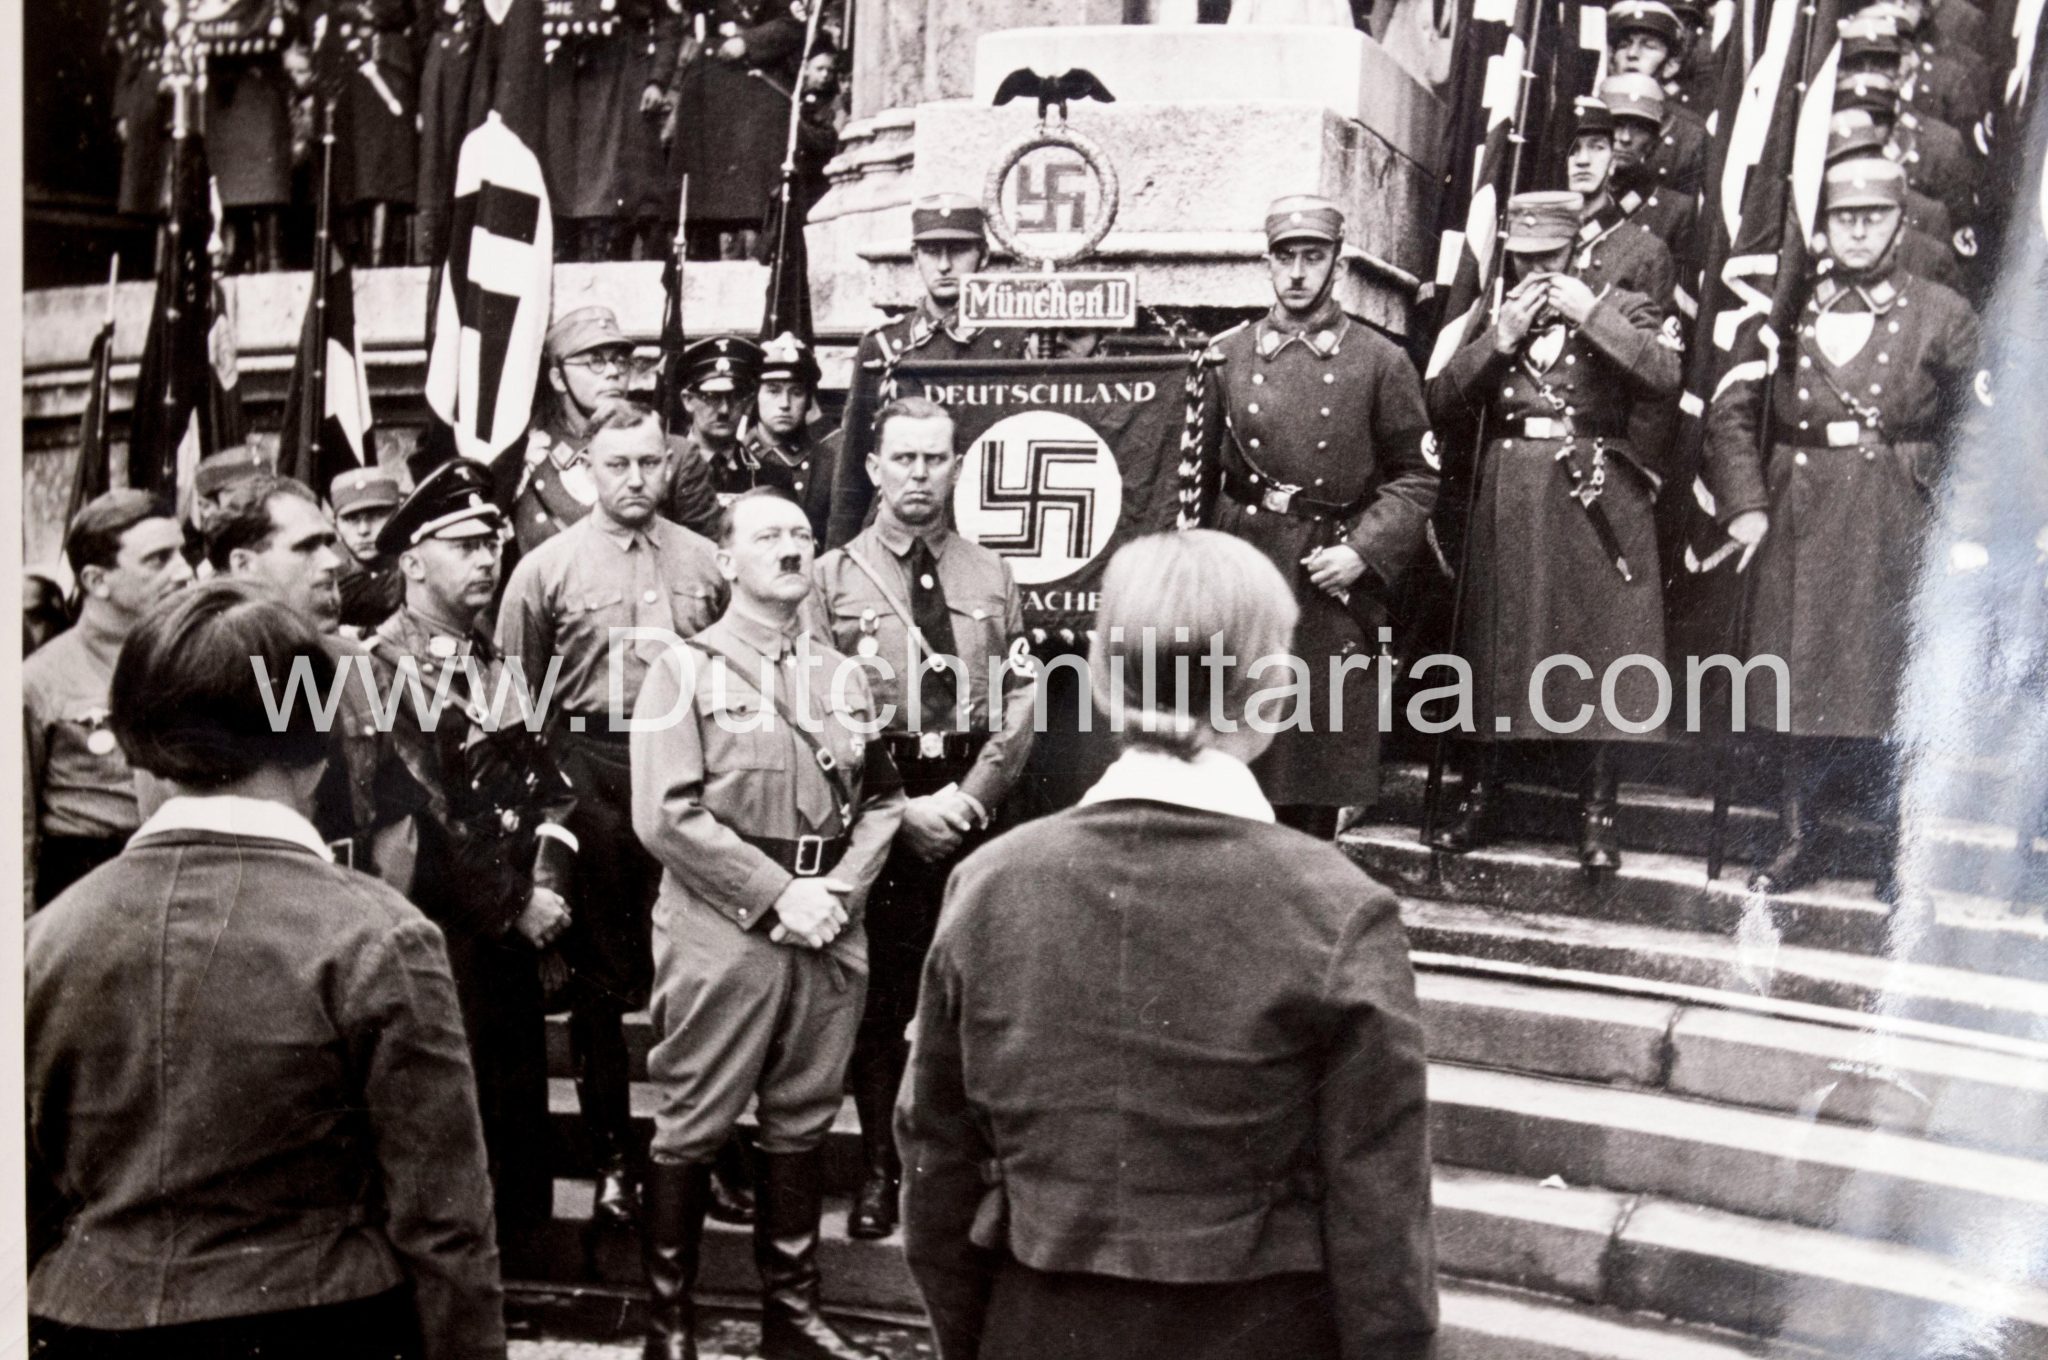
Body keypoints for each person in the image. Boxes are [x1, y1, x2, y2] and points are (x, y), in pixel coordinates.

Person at [897, 529, 1437, 1360]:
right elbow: (1381, 1219)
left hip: (1036, 1326)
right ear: (1275, 693)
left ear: (1102, 682)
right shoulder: (1338, 908)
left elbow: (937, 1171)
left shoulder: (991, 885)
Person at [27, 580, 504, 1360]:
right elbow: (445, 1223)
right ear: (316, 755)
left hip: (86, 1318)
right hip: (318, 1322)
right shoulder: (378, 936)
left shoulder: (44, 942)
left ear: (140, 752)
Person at [631, 487, 906, 1360]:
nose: (790, 549)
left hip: (829, 926)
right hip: (724, 925)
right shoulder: (683, 670)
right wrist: (778, 893)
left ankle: (792, 1317)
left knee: (802, 1120)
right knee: (694, 1119)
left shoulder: (844, 676)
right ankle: (669, 1326)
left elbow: (884, 800)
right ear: (727, 560)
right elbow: (666, 815)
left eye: (800, 535)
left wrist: (840, 894)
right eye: (767, 537)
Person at [1703, 154, 1981, 900]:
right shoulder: (1785, 314)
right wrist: (1746, 503)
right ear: (1822, 228)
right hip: (1799, 510)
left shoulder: (1942, 313)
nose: (1858, 231)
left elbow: (1978, 429)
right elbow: (1732, 410)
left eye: (1873, 216)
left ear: (1900, 222)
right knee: (1797, 676)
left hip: (1896, 513)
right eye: (1843, 217)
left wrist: (1961, 521)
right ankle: (1801, 838)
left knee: (1889, 676)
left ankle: (1895, 846)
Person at [496, 402, 743, 1232]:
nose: (635, 479)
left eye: (648, 462)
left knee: (699, 970)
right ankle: (612, 1162)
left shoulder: (708, 561)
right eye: (617, 465)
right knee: (600, 984)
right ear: (590, 469)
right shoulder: (545, 569)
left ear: (668, 466)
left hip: (692, 769)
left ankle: (706, 1153)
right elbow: (516, 705)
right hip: (590, 774)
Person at [812, 396, 1037, 1241]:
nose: (918, 475)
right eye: (902, 459)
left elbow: (1020, 700)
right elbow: (821, 705)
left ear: (956, 467)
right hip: (883, 799)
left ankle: (962, 1171)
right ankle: (881, 1167)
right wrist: (900, 807)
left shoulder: (993, 575)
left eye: (934, 459)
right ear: (873, 469)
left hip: (974, 798)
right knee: (881, 996)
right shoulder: (832, 580)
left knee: (976, 994)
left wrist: (974, 797)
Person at [1425, 191, 1681, 878]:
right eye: (1523, 259)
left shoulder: (1622, 304)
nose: (1536, 272)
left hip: (1593, 485)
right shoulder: (1497, 314)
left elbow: (1664, 376)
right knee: (1501, 640)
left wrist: (1591, 315)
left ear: (1577, 249)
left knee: (1602, 644)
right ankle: (1481, 793)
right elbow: (1439, 402)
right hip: (1512, 486)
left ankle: (1598, 809)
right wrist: (1498, 341)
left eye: (1551, 257)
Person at [365, 460, 579, 1275]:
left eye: (491, 542)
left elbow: (551, 788)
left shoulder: (491, 660)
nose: (488, 558)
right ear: (413, 563)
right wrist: (514, 903)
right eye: (463, 545)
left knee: (512, 1103)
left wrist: (545, 889)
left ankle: (513, 1272)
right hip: (445, 927)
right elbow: (418, 818)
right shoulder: (380, 668)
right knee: (455, 1107)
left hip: (513, 925)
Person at [1197, 194, 1438, 836]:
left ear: (1339, 265)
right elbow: (1193, 474)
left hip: (1325, 572)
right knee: (1230, 748)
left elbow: (1417, 475)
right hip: (1244, 566)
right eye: (1286, 258)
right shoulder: (1224, 356)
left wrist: (1363, 550)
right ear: (1268, 263)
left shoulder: (1380, 359)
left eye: (1313, 257)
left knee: (1313, 752)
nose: (1298, 272)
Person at [205, 471, 427, 882]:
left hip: (361, 900)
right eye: (307, 547)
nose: (333, 561)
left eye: (328, 542)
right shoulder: (192, 677)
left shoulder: (352, 664)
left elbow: (395, 818)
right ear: (243, 564)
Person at [25, 491, 193, 910]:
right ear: (97, 580)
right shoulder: (38, 683)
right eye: (158, 559)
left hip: (187, 874)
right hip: (88, 886)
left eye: (182, 553)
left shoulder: (199, 660)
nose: (184, 571)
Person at [826, 194, 1015, 546]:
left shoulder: (1011, 345)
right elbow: (853, 466)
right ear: (915, 257)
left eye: (958, 250)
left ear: (984, 255)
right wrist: (839, 556)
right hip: (901, 531)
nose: (944, 265)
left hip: (989, 526)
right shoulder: (885, 346)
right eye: (931, 251)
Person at [496, 306, 722, 554]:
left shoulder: (677, 455)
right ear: (559, 379)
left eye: (620, 361)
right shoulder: (525, 457)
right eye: (595, 362)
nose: (613, 372)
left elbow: (706, 557)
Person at [544, 0, 681, 261]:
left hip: (624, 72)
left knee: (632, 187)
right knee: (562, 171)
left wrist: (657, 80)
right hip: (565, 72)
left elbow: (668, 21)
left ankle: (617, 251)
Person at [670, 0, 807, 261]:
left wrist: (749, 42)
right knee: (703, 194)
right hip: (711, 82)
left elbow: (797, 24)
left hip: (758, 85)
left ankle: (757, 250)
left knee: (751, 199)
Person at [307, 0, 419, 266]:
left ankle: (379, 256)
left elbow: (406, 10)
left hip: (387, 68)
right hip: (350, 67)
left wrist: (362, 11)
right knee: (355, 170)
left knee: (384, 170)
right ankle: (358, 254)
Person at [736, 332, 837, 542]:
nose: (784, 404)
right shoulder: (735, 458)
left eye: (796, 392)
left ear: (808, 401)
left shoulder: (829, 462)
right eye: (773, 391)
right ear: (754, 397)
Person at [1601, 73, 1701, 272]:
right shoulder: (1573, 198)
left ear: (1654, 140)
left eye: (1639, 128)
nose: (1625, 138)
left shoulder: (1676, 211)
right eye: (1616, 124)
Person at [1606, 0, 1708, 193]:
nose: (1632, 54)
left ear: (1671, 65)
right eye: (1624, 45)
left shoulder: (1690, 135)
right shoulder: (1589, 115)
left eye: (1649, 46)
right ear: (1612, 60)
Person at [675, 334, 765, 503]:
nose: (724, 410)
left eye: (735, 397)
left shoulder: (769, 477)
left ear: (749, 403)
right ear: (688, 400)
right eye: (712, 397)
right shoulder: (665, 471)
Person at [331, 464, 407, 630]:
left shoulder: (419, 570)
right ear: (335, 526)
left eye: (377, 515)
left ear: (399, 516)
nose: (363, 530)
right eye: (351, 518)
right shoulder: (330, 581)